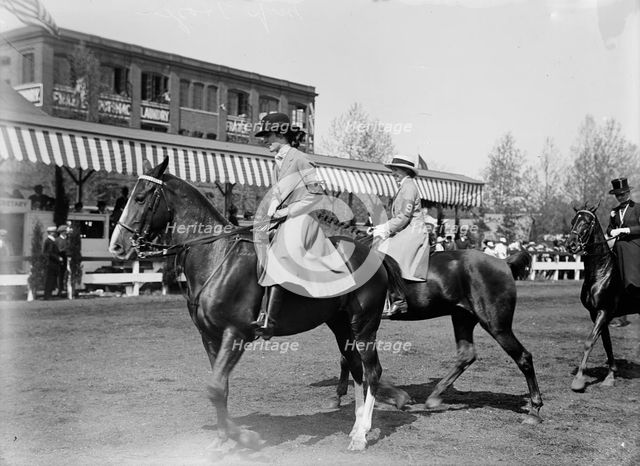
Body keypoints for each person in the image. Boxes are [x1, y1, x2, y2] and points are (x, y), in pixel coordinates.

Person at [252, 112, 354, 339]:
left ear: (280, 134)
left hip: (301, 220)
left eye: (267, 135)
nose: (264, 140)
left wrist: (286, 212)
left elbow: (316, 196)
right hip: (281, 219)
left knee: (281, 255)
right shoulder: (277, 161)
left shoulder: (300, 159)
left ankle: (270, 320)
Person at [372, 154, 430, 317]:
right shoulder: (404, 187)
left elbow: (404, 216)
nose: (393, 173)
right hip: (406, 230)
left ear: (405, 171)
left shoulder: (409, 187)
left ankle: (398, 300)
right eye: (392, 170)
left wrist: (386, 227)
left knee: (383, 253)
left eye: (395, 170)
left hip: (413, 231)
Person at [606, 177, 640, 327]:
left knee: (622, 249)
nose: (620, 197)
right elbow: (609, 228)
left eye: (622, 194)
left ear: (628, 193)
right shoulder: (614, 211)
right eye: (617, 195)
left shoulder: (637, 208)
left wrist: (626, 230)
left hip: (634, 244)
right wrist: (612, 231)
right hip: (619, 245)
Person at [43, 226, 62, 299]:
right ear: (51, 233)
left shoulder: (50, 241)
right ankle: (48, 295)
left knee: (51, 279)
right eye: (54, 232)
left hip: (51, 262)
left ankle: (48, 294)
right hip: (52, 263)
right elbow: (50, 253)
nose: (55, 233)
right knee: (50, 279)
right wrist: (58, 258)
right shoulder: (50, 242)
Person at [55, 225, 69, 296]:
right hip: (61, 258)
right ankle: (60, 289)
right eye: (65, 231)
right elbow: (56, 250)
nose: (66, 232)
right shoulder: (57, 240)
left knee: (68, 274)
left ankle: (67, 288)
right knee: (60, 275)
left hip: (68, 258)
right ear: (63, 232)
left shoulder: (68, 239)